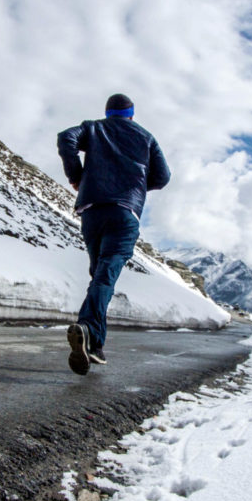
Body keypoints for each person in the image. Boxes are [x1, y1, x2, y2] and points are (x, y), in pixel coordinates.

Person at [58, 93, 170, 375]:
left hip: (92, 212)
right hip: (124, 214)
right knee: (105, 276)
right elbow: (163, 177)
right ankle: (86, 327)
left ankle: (95, 345)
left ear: (108, 113)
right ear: (131, 115)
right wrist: (136, 185)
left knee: (99, 278)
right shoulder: (146, 138)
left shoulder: (94, 128)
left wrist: (77, 176)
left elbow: (65, 138)